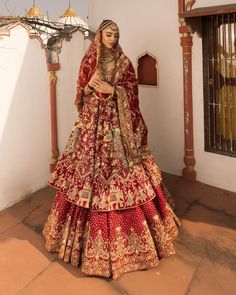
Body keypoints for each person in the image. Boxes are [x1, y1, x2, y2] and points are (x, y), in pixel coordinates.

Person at [43, 19, 180, 279]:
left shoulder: (124, 62)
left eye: (116, 34)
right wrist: (88, 88)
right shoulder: (88, 61)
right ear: (100, 36)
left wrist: (114, 90)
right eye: (108, 34)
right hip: (91, 126)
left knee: (123, 173)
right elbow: (79, 95)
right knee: (86, 174)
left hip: (117, 125)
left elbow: (132, 90)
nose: (112, 38)